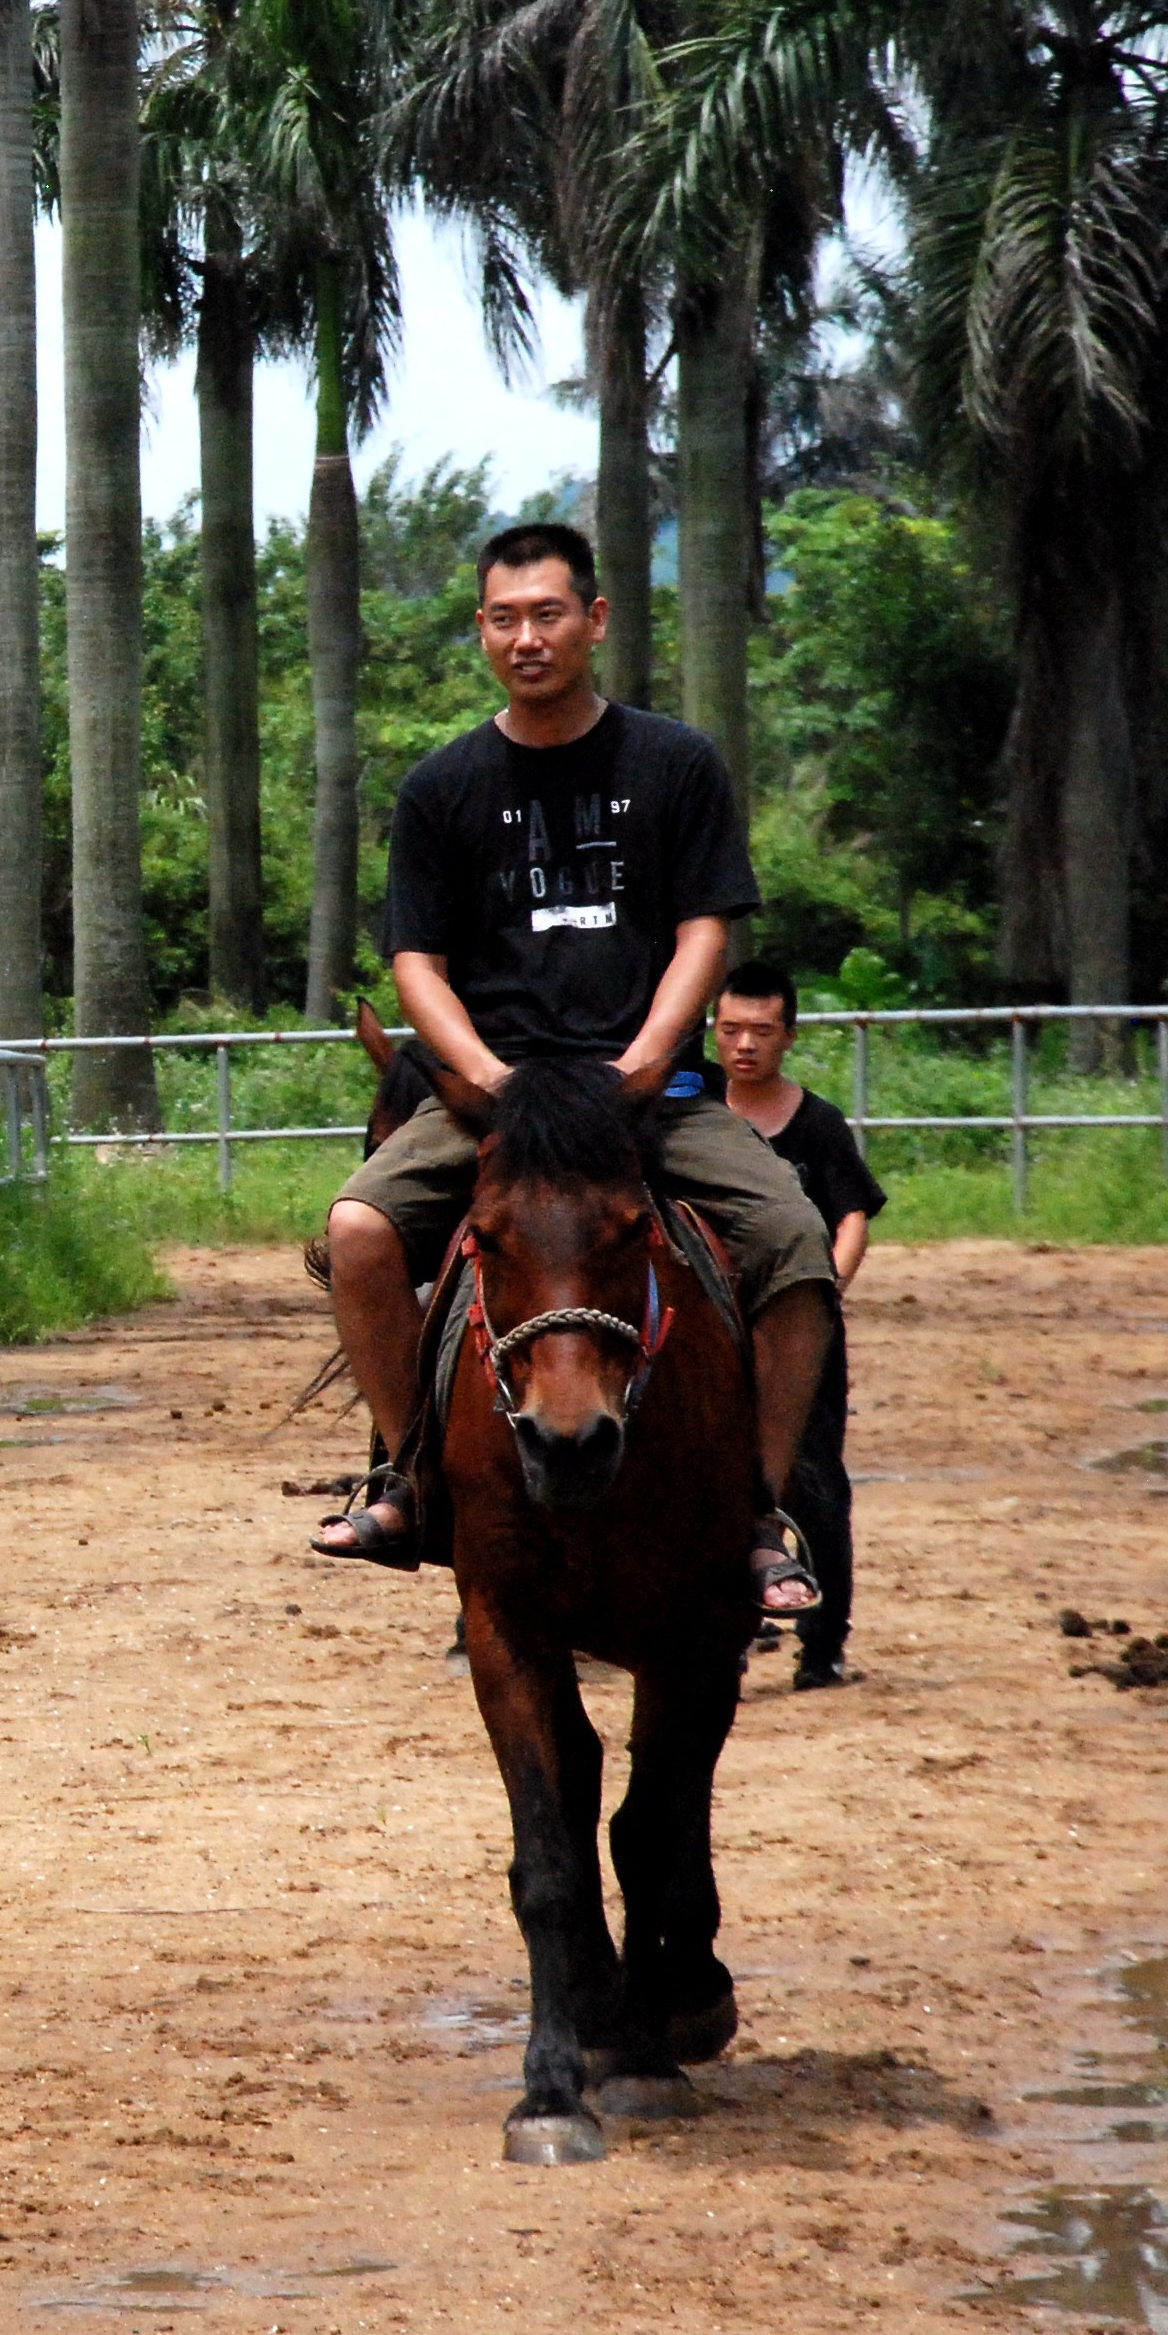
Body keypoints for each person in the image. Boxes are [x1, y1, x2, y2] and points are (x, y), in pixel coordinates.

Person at [308, 521, 838, 1618]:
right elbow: (416, 963)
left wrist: (644, 1062)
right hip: (497, 1099)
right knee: (357, 1231)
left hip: (645, 1098)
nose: (525, 637)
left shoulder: (673, 764)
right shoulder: (441, 786)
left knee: (791, 1243)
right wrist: (485, 1078)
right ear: (479, 631)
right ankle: (409, 1476)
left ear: (592, 621)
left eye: (546, 614)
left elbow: (703, 932)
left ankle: (758, 1507)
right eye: (502, 618)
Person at [713, 958, 885, 1687]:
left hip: (796, 1328)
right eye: (729, 1030)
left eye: (760, 1030)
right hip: (715, 1328)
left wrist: (820, 1294)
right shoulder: (695, 1123)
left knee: (811, 1479)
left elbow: (850, 1218)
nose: (744, 1044)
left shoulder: (816, 1125)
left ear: (788, 1036)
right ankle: (725, 1626)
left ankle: (824, 1643)